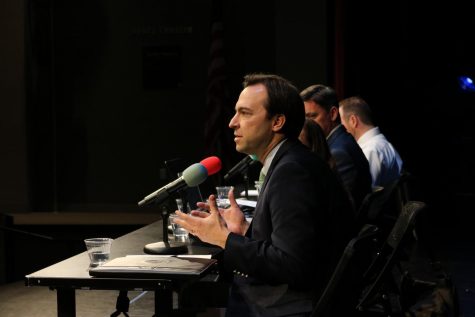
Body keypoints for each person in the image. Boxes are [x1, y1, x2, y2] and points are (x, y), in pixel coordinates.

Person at [175, 73, 354, 317]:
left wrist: (224, 239)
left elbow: (292, 265)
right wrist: (245, 230)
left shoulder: (292, 171)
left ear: (277, 121)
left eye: (245, 113)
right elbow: (294, 244)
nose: (232, 122)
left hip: (291, 306)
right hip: (301, 297)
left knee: (190, 299)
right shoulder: (292, 160)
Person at [300, 84, 372, 211]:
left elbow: (339, 207)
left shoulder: (338, 152)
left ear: (333, 114)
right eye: (303, 119)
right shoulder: (342, 141)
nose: (305, 125)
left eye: (311, 117)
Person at [339, 96, 403, 188]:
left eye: (340, 122)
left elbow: (366, 195)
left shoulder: (370, 150)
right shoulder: (381, 144)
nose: (339, 128)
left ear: (353, 121)